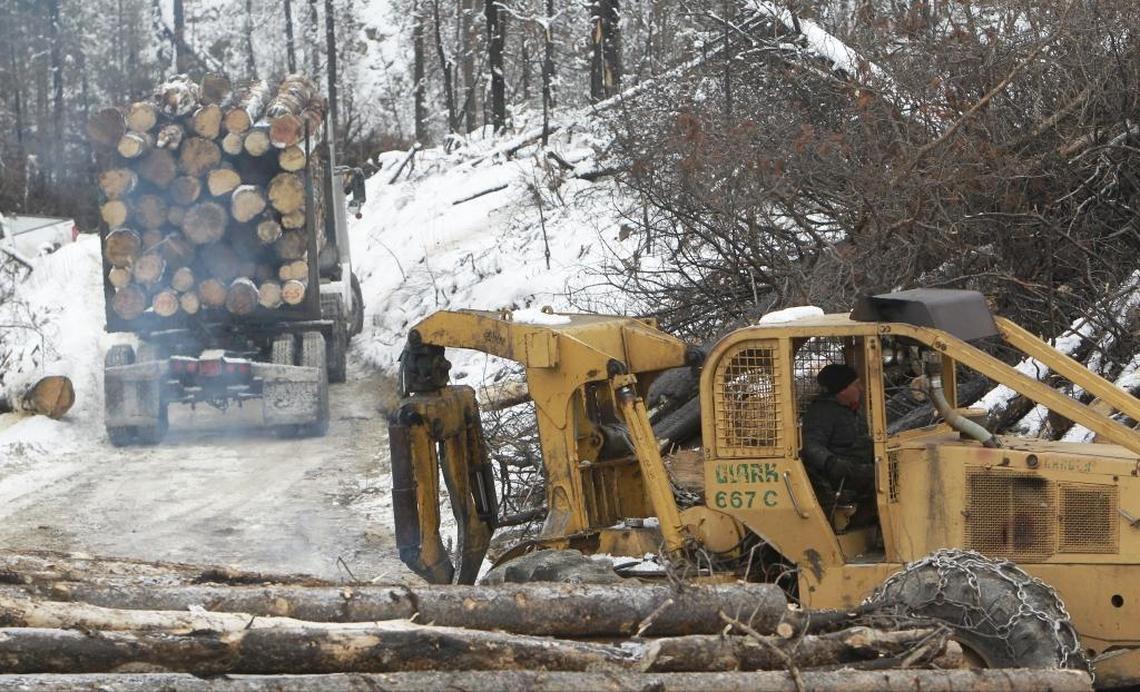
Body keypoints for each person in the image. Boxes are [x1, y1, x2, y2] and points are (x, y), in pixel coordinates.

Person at [800, 363, 876, 503]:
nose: (861, 388)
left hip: (861, 469)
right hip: (843, 476)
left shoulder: (854, 410)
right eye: (856, 384)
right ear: (842, 389)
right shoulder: (822, 412)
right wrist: (831, 463)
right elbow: (811, 444)